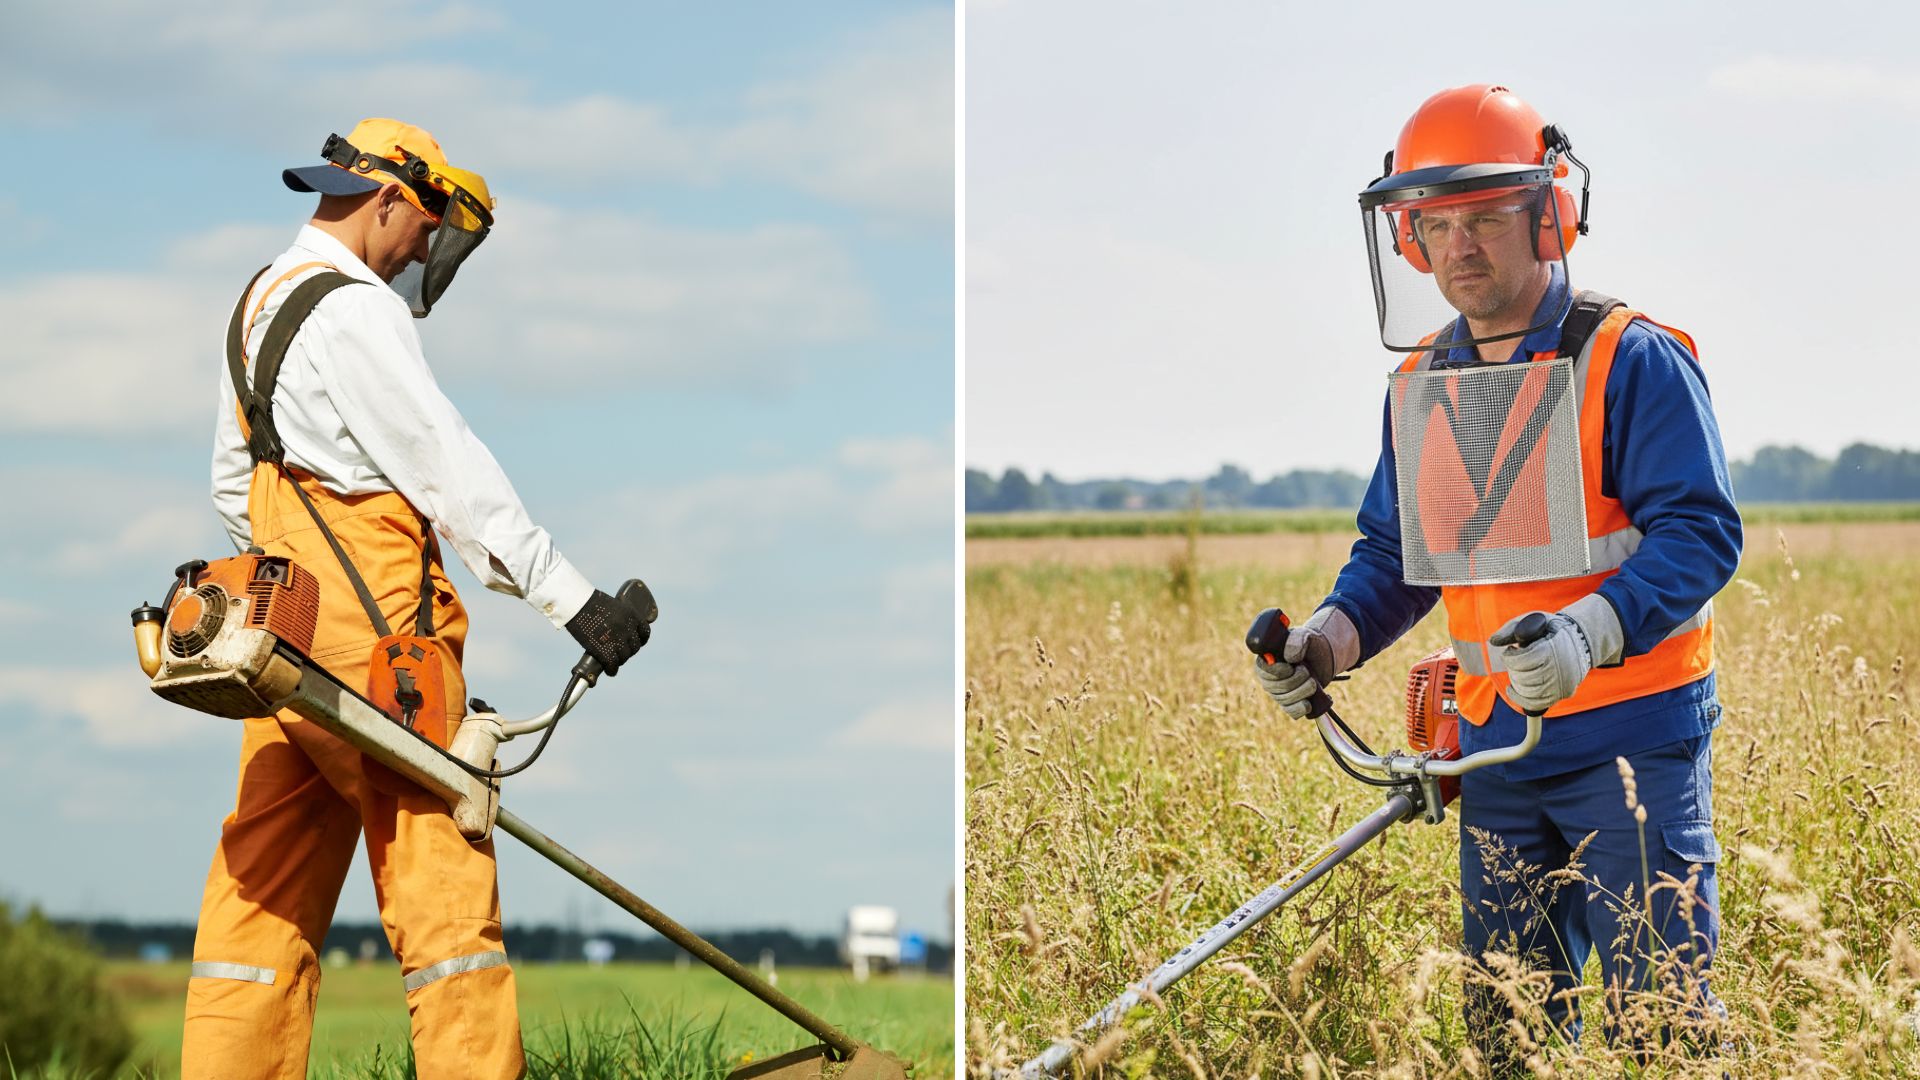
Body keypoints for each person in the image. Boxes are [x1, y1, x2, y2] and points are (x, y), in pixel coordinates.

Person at [1252, 85, 1740, 1067]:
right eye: (1435, 222)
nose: (1461, 245)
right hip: (1496, 753)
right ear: (1409, 241)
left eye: (1485, 216)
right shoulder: (1421, 385)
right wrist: (1325, 642)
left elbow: (1700, 533)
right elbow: (1399, 557)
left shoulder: (1630, 358)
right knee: (1508, 1035)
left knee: (1664, 1031)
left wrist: (1588, 634)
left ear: (1549, 211)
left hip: (1632, 744)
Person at [183, 118, 651, 1079]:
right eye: (422, 229)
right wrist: (573, 602)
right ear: (387, 198)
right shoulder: (355, 312)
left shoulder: (257, 303)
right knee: (445, 891)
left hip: (280, 634)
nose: (421, 254)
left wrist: (291, 580)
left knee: (261, 900)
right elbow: (447, 469)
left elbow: (237, 490)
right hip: (377, 651)